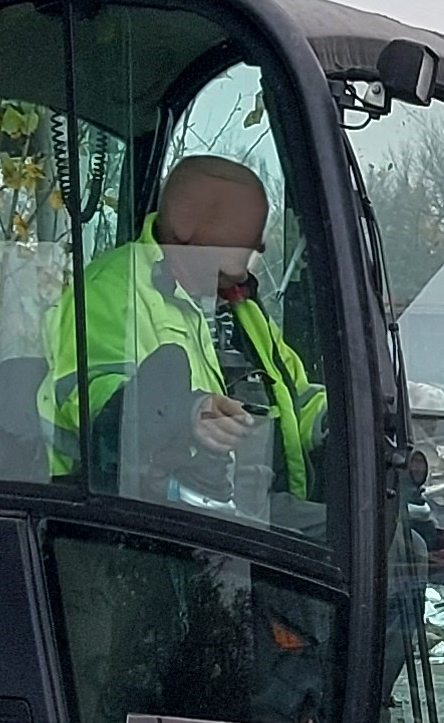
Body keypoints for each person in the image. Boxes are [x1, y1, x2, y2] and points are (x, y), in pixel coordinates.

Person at [42, 155, 327, 504]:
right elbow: (95, 401)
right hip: (152, 516)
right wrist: (187, 412)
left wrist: (337, 420)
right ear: (186, 228)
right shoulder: (110, 291)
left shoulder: (242, 308)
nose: (261, 246)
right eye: (245, 231)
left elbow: (294, 396)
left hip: (249, 506)